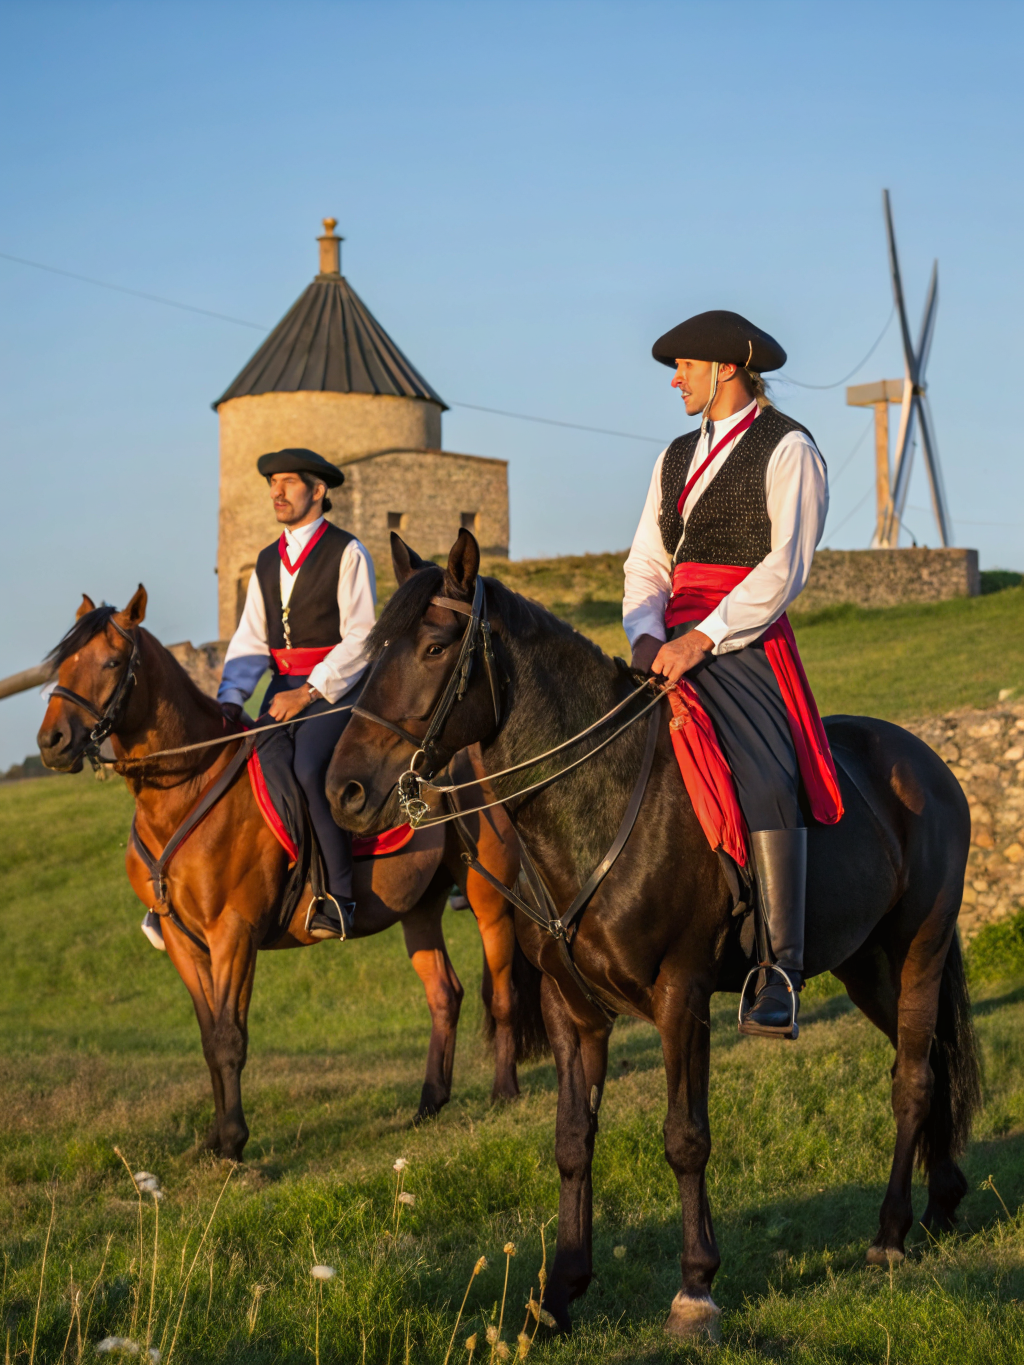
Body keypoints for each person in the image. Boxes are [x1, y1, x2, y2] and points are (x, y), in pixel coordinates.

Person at [623, 310, 842, 1038]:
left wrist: (703, 638)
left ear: (724, 368)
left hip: (742, 642)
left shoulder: (790, 448)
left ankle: (780, 968)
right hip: (668, 637)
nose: (675, 380)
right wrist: (646, 632)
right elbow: (648, 560)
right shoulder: (674, 456)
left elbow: (786, 567)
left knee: (769, 777)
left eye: (682, 366)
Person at [217, 447, 377, 938]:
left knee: (309, 770)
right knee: (244, 767)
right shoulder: (267, 561)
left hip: (338, 688)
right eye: (271, 483)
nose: (276, 492)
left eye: (287, 482)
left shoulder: (347, 551)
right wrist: (230, 697)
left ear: (318, 490)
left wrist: (309, 692)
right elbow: (250, 637)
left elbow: (362, 636)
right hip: (281, 690)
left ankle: (340, 897)